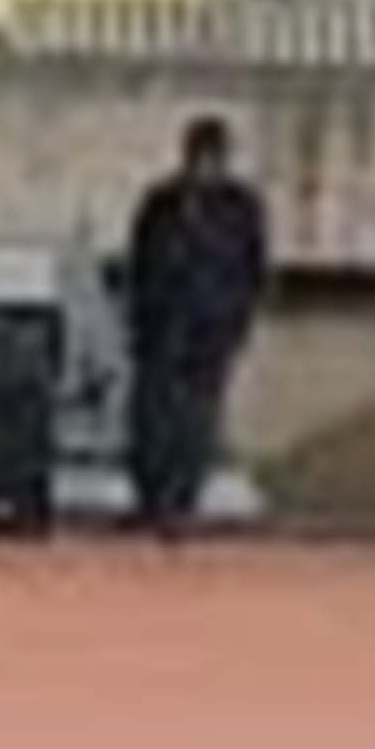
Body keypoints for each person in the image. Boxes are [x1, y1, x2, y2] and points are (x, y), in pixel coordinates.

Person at [119, 115, 275, 541]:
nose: (204, 167)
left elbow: (253, 269)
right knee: (152, 414)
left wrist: (238, 320)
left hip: (211, 326)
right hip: (160, 324)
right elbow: (140, 262)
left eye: (212, 158)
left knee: (196, 417)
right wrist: (138, 316)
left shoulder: (240, 208)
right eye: (198, 157)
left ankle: (181, 500)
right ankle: (151, 498)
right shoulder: (162, 202)